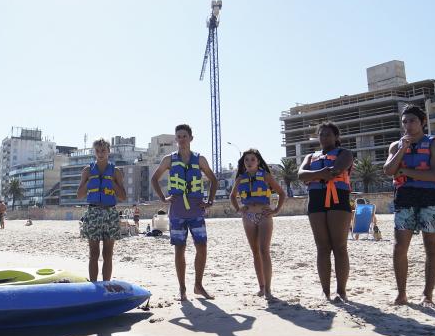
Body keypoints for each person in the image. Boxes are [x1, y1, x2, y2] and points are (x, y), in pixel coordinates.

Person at [383, 105, 435, 307]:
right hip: (405, 197)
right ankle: (402, 294)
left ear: (422, 122)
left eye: (412, 121)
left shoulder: (434, 144)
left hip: (431, 198)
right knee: (400, 246)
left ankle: (428, 295)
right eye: (404, 122)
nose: (408, 125)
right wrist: (402, 149)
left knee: (431, 246)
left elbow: (433, 175)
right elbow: (389, 170)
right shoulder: (395, 146)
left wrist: (405, 171)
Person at [151, 124, 219, 301]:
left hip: (196, 210)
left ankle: (198, 285)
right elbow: (154, 178)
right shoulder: (169, 159)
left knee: (202, 247)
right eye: (178, 136)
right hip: (177, 211)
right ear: (176, 140)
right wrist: (163, 198)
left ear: (191, 138)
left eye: (184, 136)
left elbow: (213, 180)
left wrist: (210, 201)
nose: (181, 139)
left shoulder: (200, 159)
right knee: (179, 249)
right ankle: (182, 288)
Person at [298, 122, 354, 302]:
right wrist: (321, 172)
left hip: (338, 198)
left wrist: (315, 175)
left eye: (328, 134)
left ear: (336, 137)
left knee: (339, 246)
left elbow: (335, 170)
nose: (324, 138)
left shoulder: (344, 153)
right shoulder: (311, 156)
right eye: (321, 135)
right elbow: (300, 175)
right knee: (322, 247)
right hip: (316, 200)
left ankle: (341, 291)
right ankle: (325, 290)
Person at [229, 148, 287, 298]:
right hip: (248, 216)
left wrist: (275, 210)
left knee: (264, 251)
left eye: (252, 159)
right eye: (246, 160)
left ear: (258, 161)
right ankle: (261, 287)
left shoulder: (265, 176)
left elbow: (281, 193)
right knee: (255, 252)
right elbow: (232, 196)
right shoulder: (240, 178)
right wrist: (238, 209)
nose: (249, 162)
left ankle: (268, 289)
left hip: (264, 215)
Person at [76, 138, 128, 282]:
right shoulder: (87, 170)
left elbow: (123, 196)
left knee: (108, 254)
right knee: (93, 253)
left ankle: (106, 285)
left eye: (103, 150)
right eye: (97, 151)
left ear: (109, 152)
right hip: (93, 213)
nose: (100, 154)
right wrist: (88, 182)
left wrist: (111, 182)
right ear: (94, 152)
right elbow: (79, 195)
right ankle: (93, 286)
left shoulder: (115, 171)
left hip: (110, 212)